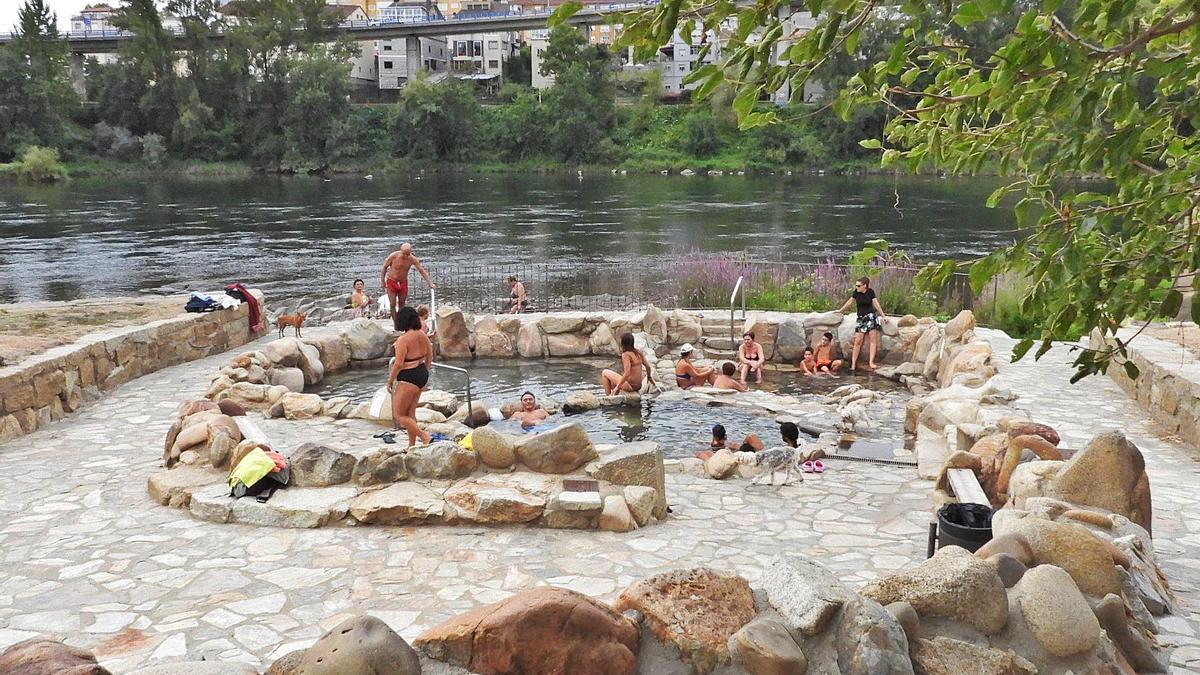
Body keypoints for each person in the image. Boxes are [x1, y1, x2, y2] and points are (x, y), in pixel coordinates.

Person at [386, 306, 433, 447]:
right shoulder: (422, 335)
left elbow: (399, 364)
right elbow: (429, 354)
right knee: (410, 413)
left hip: (408, 376)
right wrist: (425, 368)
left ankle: (424, 437)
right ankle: (411, 445)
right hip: (422, 373)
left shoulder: (402, 340)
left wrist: (390, 380)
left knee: (399, 415)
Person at [380, 243, 436, 331]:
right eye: (404, 253)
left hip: (403, 282)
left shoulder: (412, 259)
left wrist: (430, 283)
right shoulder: (394, 255)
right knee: (393, 303)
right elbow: (384, 267)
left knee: (402, 304)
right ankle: (396, 323)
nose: (406, 256)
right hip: (392, 281)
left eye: (408, 254)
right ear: (401, 251)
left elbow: (421, 270)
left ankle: (402, 323)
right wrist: (382, 281)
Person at [838, 277, 886, 371]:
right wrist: (840, 310)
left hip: (870, 317)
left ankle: (871, 362)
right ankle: (853, 363)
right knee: (858, 341)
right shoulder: (856, 292)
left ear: (865, 286)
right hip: (861, 318)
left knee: (873, 339)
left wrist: (883, 315)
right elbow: (850, 302)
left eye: (859, 286)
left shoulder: (870, 292)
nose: (857, 287)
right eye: (856, 285)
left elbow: (876, 304)